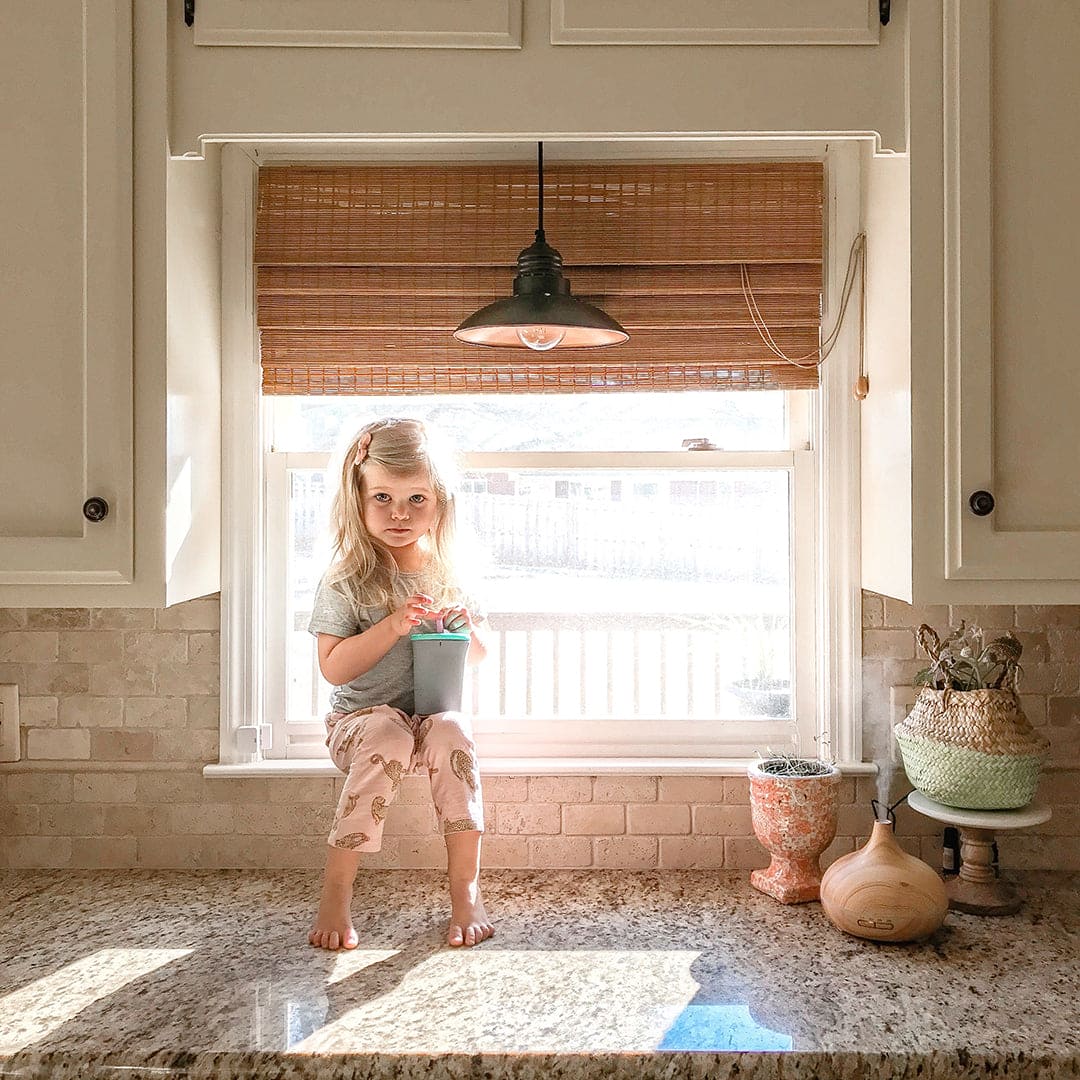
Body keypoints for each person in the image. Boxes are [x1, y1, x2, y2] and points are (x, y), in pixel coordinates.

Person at [307, 416, 493, 951]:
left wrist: (466, 627)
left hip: (430, 718)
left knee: (454, 731)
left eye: (417, 499)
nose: (400, 513)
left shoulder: (450, 572)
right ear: (357, 498)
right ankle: (336, 892)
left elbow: (479, 655)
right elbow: (334, 668)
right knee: (388, 729)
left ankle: (467, 890)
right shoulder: (346, 577)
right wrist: (391, 626)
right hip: (359, 725)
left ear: (440, 504)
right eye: (383, 497)